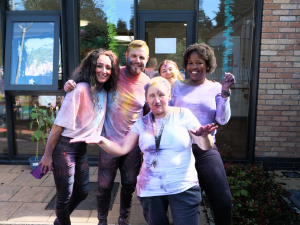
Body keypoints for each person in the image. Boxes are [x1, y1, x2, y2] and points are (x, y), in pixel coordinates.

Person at [70, 77, 218, 225]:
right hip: (150, 190)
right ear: (146, 99)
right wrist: (101, 141)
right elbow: (122, 148)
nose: (157, 100)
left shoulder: (183, 115)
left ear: (169, 96)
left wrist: (204, 137)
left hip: (183, 186)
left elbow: (205, 145)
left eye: (161, 95)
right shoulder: (141, 123)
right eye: (152, 96)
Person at [64, 40, 150, 225]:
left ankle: (123, 219)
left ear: (147, 59)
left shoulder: (148, 83)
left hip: (132, 145)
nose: (137, 60)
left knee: (128, 184)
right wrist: (71, 84)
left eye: (141, 57)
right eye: (133, 55)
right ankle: (102, 220)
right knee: (104, 186)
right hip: (108, 141)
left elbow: (149, 113)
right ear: (126, 55)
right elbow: (91, 81)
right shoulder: (115, 75)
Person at [39, 49, 119, 225]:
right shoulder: (80, 89)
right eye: (99, 66)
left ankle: (59, 222)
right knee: (63, 196)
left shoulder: (104, 91)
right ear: (91, 66)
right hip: (64, 148)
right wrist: (47, 155)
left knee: (83, 192)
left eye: (108, 67)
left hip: (80, 147)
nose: (104, 71)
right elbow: (57, 126)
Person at [169, 43, 235, 225]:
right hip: (179, 150)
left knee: (223, 201)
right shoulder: (177, 86)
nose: (193, 67)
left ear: (207, 65)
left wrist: (225, 93)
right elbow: (168, 115)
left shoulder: (215, 88)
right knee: (181, 202)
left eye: (198, 62)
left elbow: (221, 120)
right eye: (190, 63)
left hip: (205, 149)